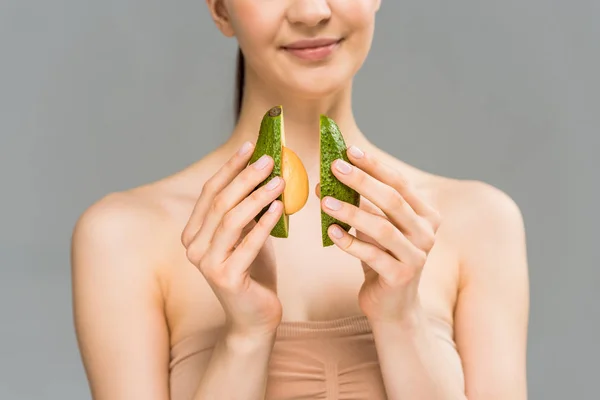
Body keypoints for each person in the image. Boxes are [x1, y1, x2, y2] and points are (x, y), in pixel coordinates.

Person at [70, 1, 530, 399]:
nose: (312, 11)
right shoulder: (122, 236)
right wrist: (246, 337)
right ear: (220, 8)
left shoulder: (480, 222)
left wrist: (401, 319)